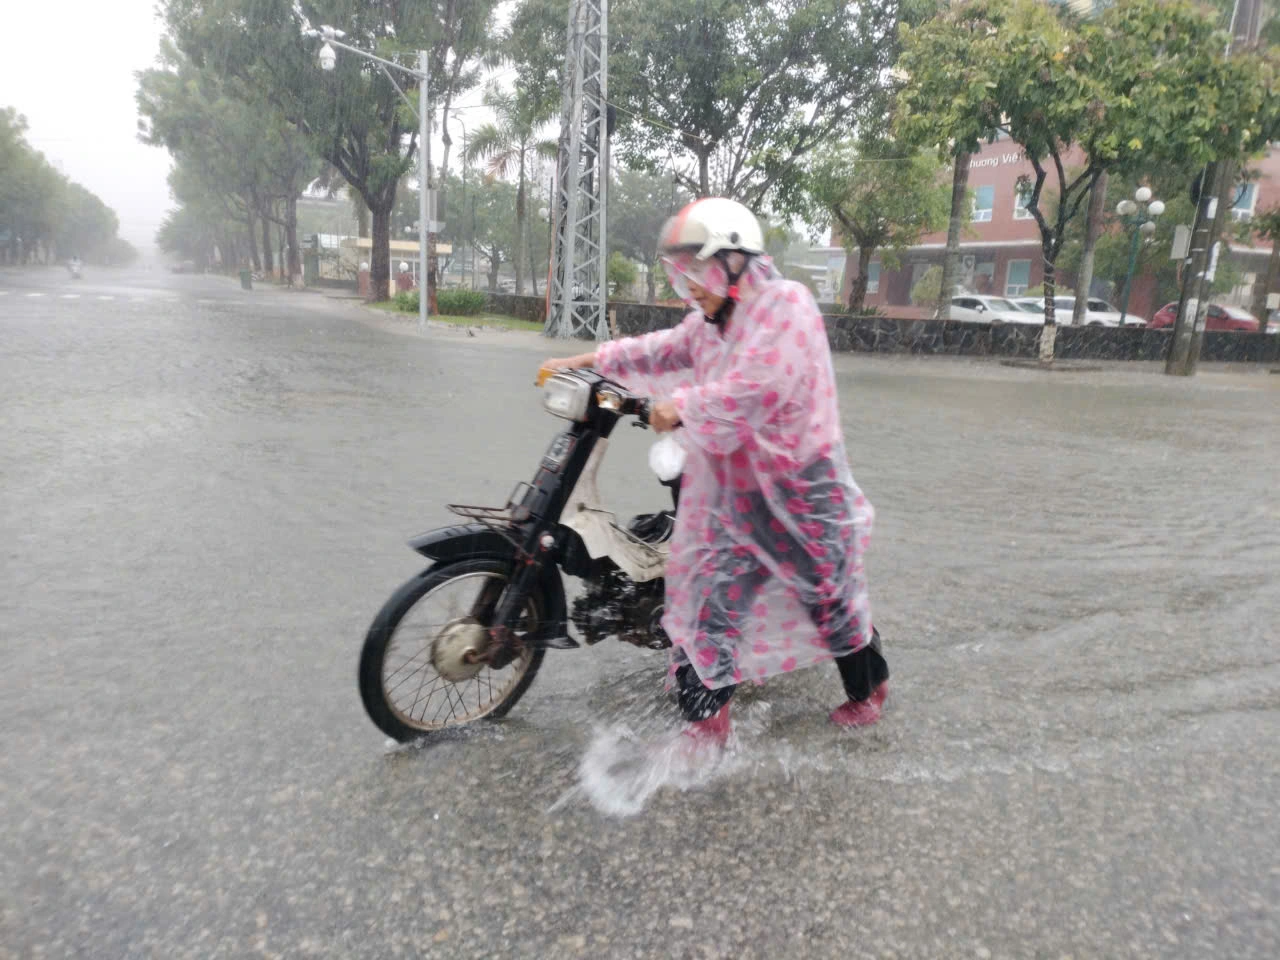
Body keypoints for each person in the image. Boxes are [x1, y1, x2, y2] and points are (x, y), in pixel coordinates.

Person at [545, 198, 888, 745]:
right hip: (736, 493)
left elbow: (762, 385)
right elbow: (663, 348)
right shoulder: (711, 323)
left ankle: (870, 690)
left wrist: (683, 405)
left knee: (830, 599)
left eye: (697, 272)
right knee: (710, 599)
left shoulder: (786, 306)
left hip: (805, 492)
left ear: (735, 261)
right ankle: (705, 724)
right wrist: (588, 361)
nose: (690, 287)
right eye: (681, 275)